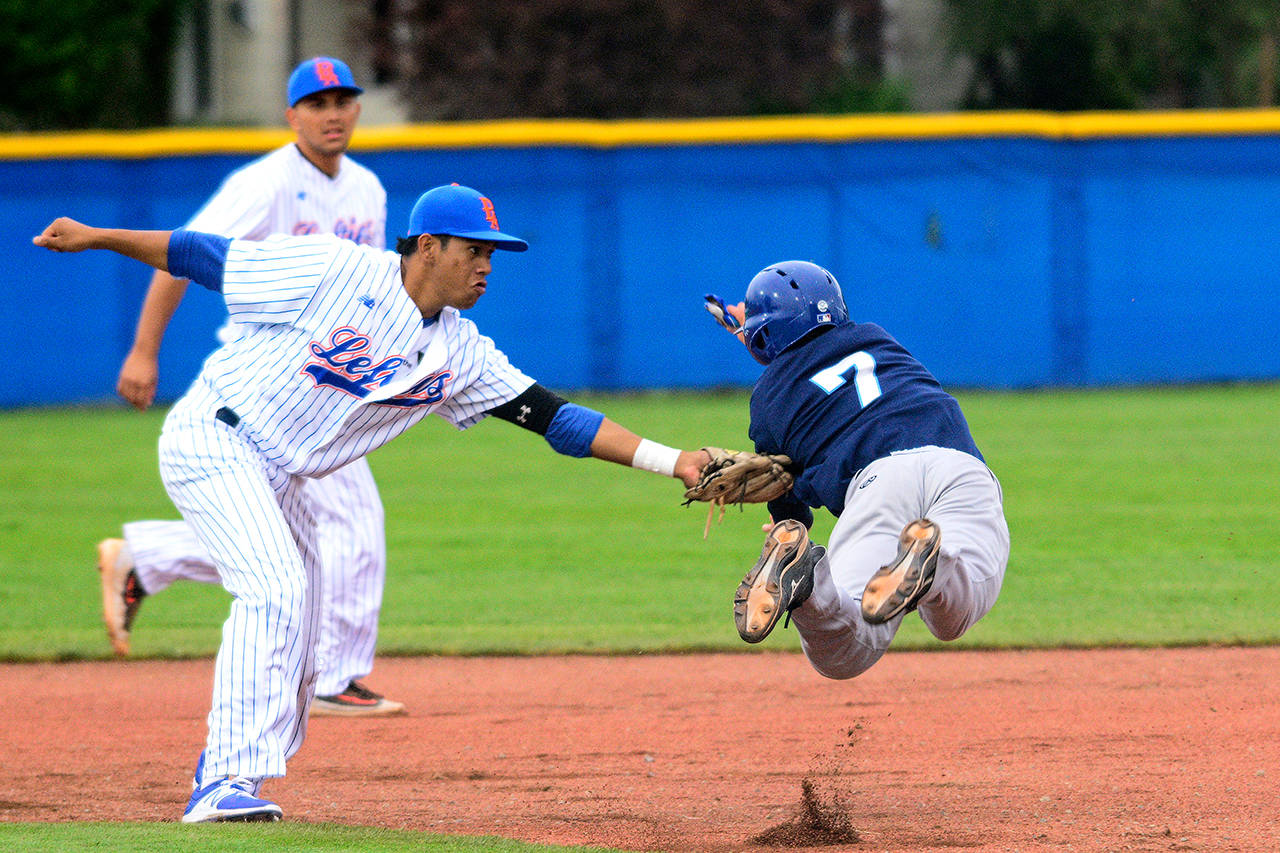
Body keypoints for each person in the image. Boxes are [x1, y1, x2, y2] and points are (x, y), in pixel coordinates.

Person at [34, 183, 709, 823]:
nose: (486, 266)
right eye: (473, 250)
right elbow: (204, 256)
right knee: (276, 588)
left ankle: (237, 761)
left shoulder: (460, 353)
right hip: (216, 434)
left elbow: (557, 420)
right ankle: (223, 780)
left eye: (491, 254)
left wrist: (672, 459)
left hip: (285, 472)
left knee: (305, 614)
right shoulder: (337, 269)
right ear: (426, 247)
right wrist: (98, 236)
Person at [96, 56, 403, 716]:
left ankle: (147, 556)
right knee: (353, 519)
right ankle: (333, 678)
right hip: (265, 379)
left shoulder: (368, 190)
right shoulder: (264, 184)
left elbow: (373, 294)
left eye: (343, 100)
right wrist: (145, 350)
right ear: (291, 115)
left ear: (356, 110)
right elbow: (183, 252)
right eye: (317, 103)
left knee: (286, 539)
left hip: (328, 384)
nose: (333, 113)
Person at [713, 260, 1009, 680]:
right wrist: (760, 325)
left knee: (845, 650)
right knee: (953, 617)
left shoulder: (767, 403)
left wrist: (791, 523)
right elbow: (811, 345)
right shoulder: (875, 338)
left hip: (876, 485)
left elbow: (782, 485)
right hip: (956, 465)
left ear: (762, 339)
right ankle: (933, 559)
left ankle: (810, 583)